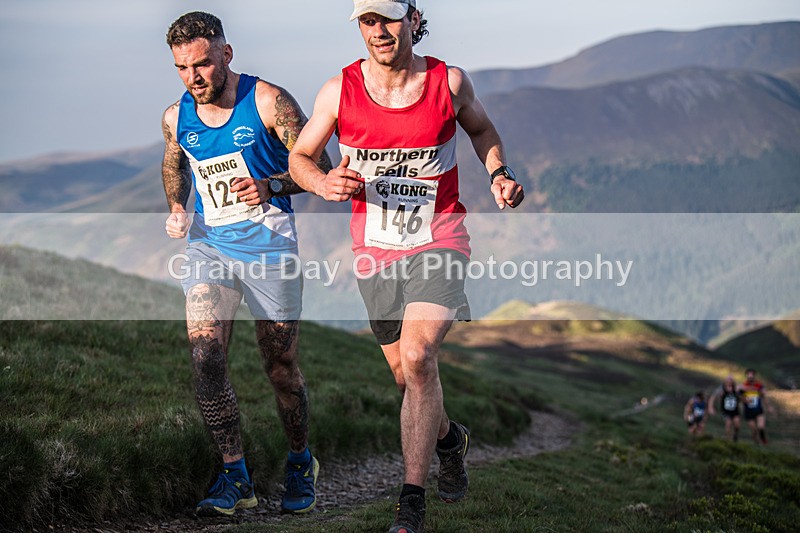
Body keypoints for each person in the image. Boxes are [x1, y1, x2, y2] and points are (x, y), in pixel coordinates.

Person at [288, 1, 524, 531]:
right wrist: (322, 181)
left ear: (414, 19)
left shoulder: (448, 82)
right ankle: (450, 440)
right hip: (374, 251)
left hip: (440, 238)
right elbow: (299, 158)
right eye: (368, 21)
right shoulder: (338, 91)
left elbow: (483, 131)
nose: (379, 31)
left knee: (418, 357)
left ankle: (410, 503)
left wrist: (499, 174)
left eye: (389, 18)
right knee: (406, 375)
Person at [161, 11, 331, 516]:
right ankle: (235, 475)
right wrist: (177, 207)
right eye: (182, 67)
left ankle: (300, 460)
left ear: (227, 54)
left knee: (280, 367)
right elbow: (175, 164)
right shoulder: (175, 116)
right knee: (206, 356)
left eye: (203, 64)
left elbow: (319, 170)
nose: (194, 77)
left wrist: (271, 185)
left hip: (269, 249)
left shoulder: (269, 102)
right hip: (209, 248)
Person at [738, 368, 771, 444]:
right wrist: (745, 400)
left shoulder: (759, 386)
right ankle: (756, 442)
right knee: (754, 429)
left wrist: (769, 407)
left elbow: (764, 396)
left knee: (761, 427)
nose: (750, 377)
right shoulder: (742, 386)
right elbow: (739, 397)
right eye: (749, 375)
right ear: (746, 376)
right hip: (748, 411)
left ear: (754, 376)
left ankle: (763, 440)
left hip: (758, 410)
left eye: (752, 375)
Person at [708, 376, 741, 442]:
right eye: (728, 381)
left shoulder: (736, 389)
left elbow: (741, 396)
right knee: (728, 423)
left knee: (737, 423)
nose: (729, 382)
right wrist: (710, 407)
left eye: (731, 381)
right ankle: (727, 439)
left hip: (735, 410)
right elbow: (713, 396)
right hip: (726, 410)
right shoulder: (722, 389)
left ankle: (735, 435)